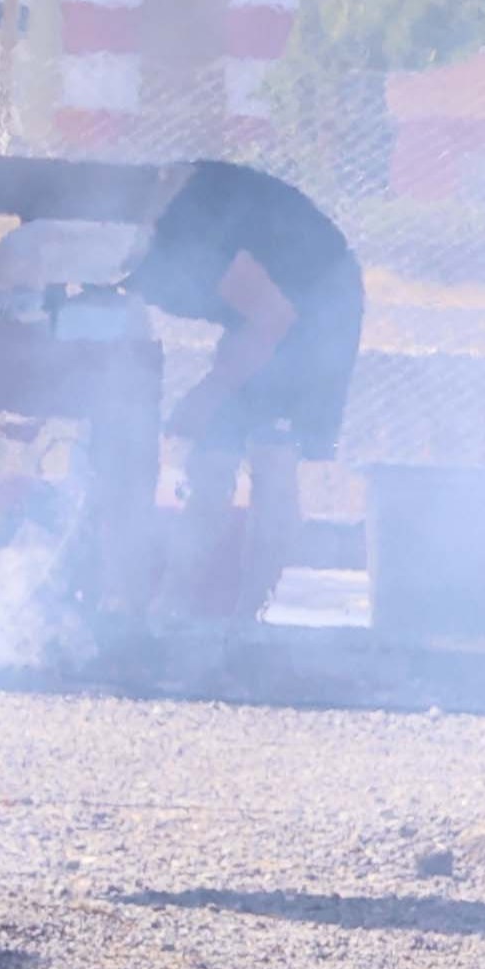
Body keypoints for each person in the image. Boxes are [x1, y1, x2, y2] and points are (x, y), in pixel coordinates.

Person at [123, 157, 365, 621]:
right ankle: (173, 608)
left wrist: (208, 392)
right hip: (265, 313)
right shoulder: (130, 251)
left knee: (273, 454)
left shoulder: (178, 231)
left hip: (317, 306)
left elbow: (274, 316)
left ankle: (247, 620)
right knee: (215, 450)